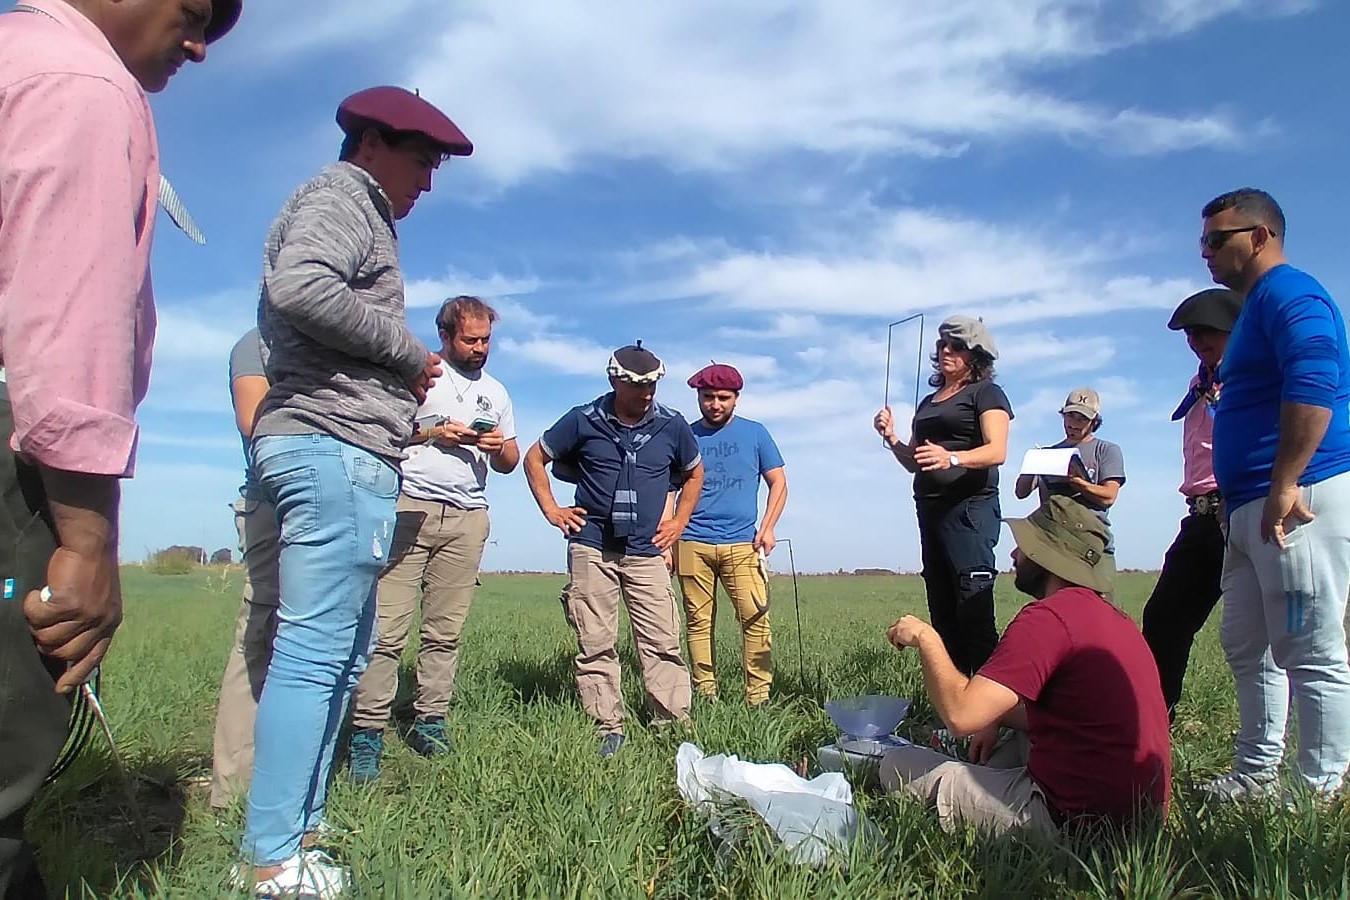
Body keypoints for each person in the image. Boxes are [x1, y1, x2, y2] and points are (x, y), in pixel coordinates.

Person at [0, 1, 241, 896]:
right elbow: (67, 327)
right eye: (193, 12)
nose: (198, 46)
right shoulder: (83, 85)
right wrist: (88, 539)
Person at [233, 87, 472, 897]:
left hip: (351, 451)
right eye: (422, 160)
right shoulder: (342, 198)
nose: (428, 182)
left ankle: (301, 827)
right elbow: (302, 286)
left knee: (341, 655)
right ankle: (273, 857)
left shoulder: (362, 209)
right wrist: (405, 353)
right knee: (312, 655)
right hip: (332, 448)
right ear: (371, 143)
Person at [879, 496, 1172, 837]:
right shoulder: (1117, 620)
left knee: (896, 765)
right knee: (1009, 734)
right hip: (1140, 815)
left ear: (1048, 556)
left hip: (1076, 823)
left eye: (1024, 546)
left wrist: (926, 637)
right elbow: (1067, 716)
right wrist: (997, 716)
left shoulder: (1048, 618)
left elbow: (960, 716)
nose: (1015, 556)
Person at [1198, 188, 1350, 801]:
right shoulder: (1258, 305)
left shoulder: (1291, 291)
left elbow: (1317, 371)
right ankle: (1256, 774)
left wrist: (1286, 480)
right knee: (1248, 647)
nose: (1205, 254)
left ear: (1259, 236)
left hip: (1294, 500)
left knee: (1309, 648)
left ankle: (1315, 793)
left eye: (1216, 240)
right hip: (1249, 509)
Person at [347, 296, 519, 780]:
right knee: (386, 630)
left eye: (486, 339)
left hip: (467, 517)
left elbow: (508, 460)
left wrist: (495, 445)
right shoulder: (419, 375)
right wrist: (433, 433)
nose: (481, 348)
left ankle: (430, 720)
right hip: (408, 508)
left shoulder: (497, 393)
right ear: (445, 336)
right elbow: (382, 430)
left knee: (444, 631)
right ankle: (367, 731)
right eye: (471, 339)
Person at [522, 342, 704, 757]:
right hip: (592, 548)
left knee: (661, 640)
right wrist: (552, 510)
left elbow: (694, 475)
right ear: (614, 381)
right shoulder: (582, 420)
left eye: (653, 385)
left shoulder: (673, 426)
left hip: (647, 551)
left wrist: (678, 523)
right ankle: (607, 725)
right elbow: (535, 459)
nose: (647, 394)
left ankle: (672, 723)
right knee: (595, 640)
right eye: (638, 386)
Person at [873, 316, 1013, 675]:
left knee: (973, 610)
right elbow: (915, 462)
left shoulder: (986, 393)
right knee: (943, 611)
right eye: (942, 345)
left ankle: (989, 712)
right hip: (931, 512)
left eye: (957, 346)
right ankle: (954, 707)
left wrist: (952, 457)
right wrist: (892, 440)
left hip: (969, 513)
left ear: (976, 355)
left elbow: (997, 451)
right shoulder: (929, 402)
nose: (946, 351)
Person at [1140, 289, 1243, 720]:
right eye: (1190, 335)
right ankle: (1155, 718)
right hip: (1200, 514)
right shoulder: (1198, 383)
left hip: (1238, 511)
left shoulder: (1251, 376)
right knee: (1163, 615)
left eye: (1206, 333)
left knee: (1255, 634)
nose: (1196, 341)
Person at [674, 363, 787, 705]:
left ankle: (758, 697)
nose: (715, 404)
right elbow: (669, 488)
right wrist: (668, 537)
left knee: (755, 619)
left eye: (723, 397)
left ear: (736, 398)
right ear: (698, 397)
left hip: (743, 542)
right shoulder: (685, 435)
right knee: (697, 622)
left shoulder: (755, 434)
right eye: (708, 397)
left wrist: (767, 527)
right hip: (692, 541)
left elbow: (778, 482)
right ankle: (706, 693)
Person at [209, 328, 280, 812]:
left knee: (319, 643)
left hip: (338, 506)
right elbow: (254, 420)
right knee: (258, 634)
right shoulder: (257, 345)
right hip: (273, 503)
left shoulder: (336, 345)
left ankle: (293, 779)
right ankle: (232, 788)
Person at [1014, 387, 1126, 551]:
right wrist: (1032, 463)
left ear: (1094, 422)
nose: (1073, 424)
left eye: (1082, 418)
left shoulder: (1106, 450)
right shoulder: (1048, 454)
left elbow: (1108, 497)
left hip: (1090, 542)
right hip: (1050, 540)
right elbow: (1020, 493)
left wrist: (1077, 482)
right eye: (1070, 416)